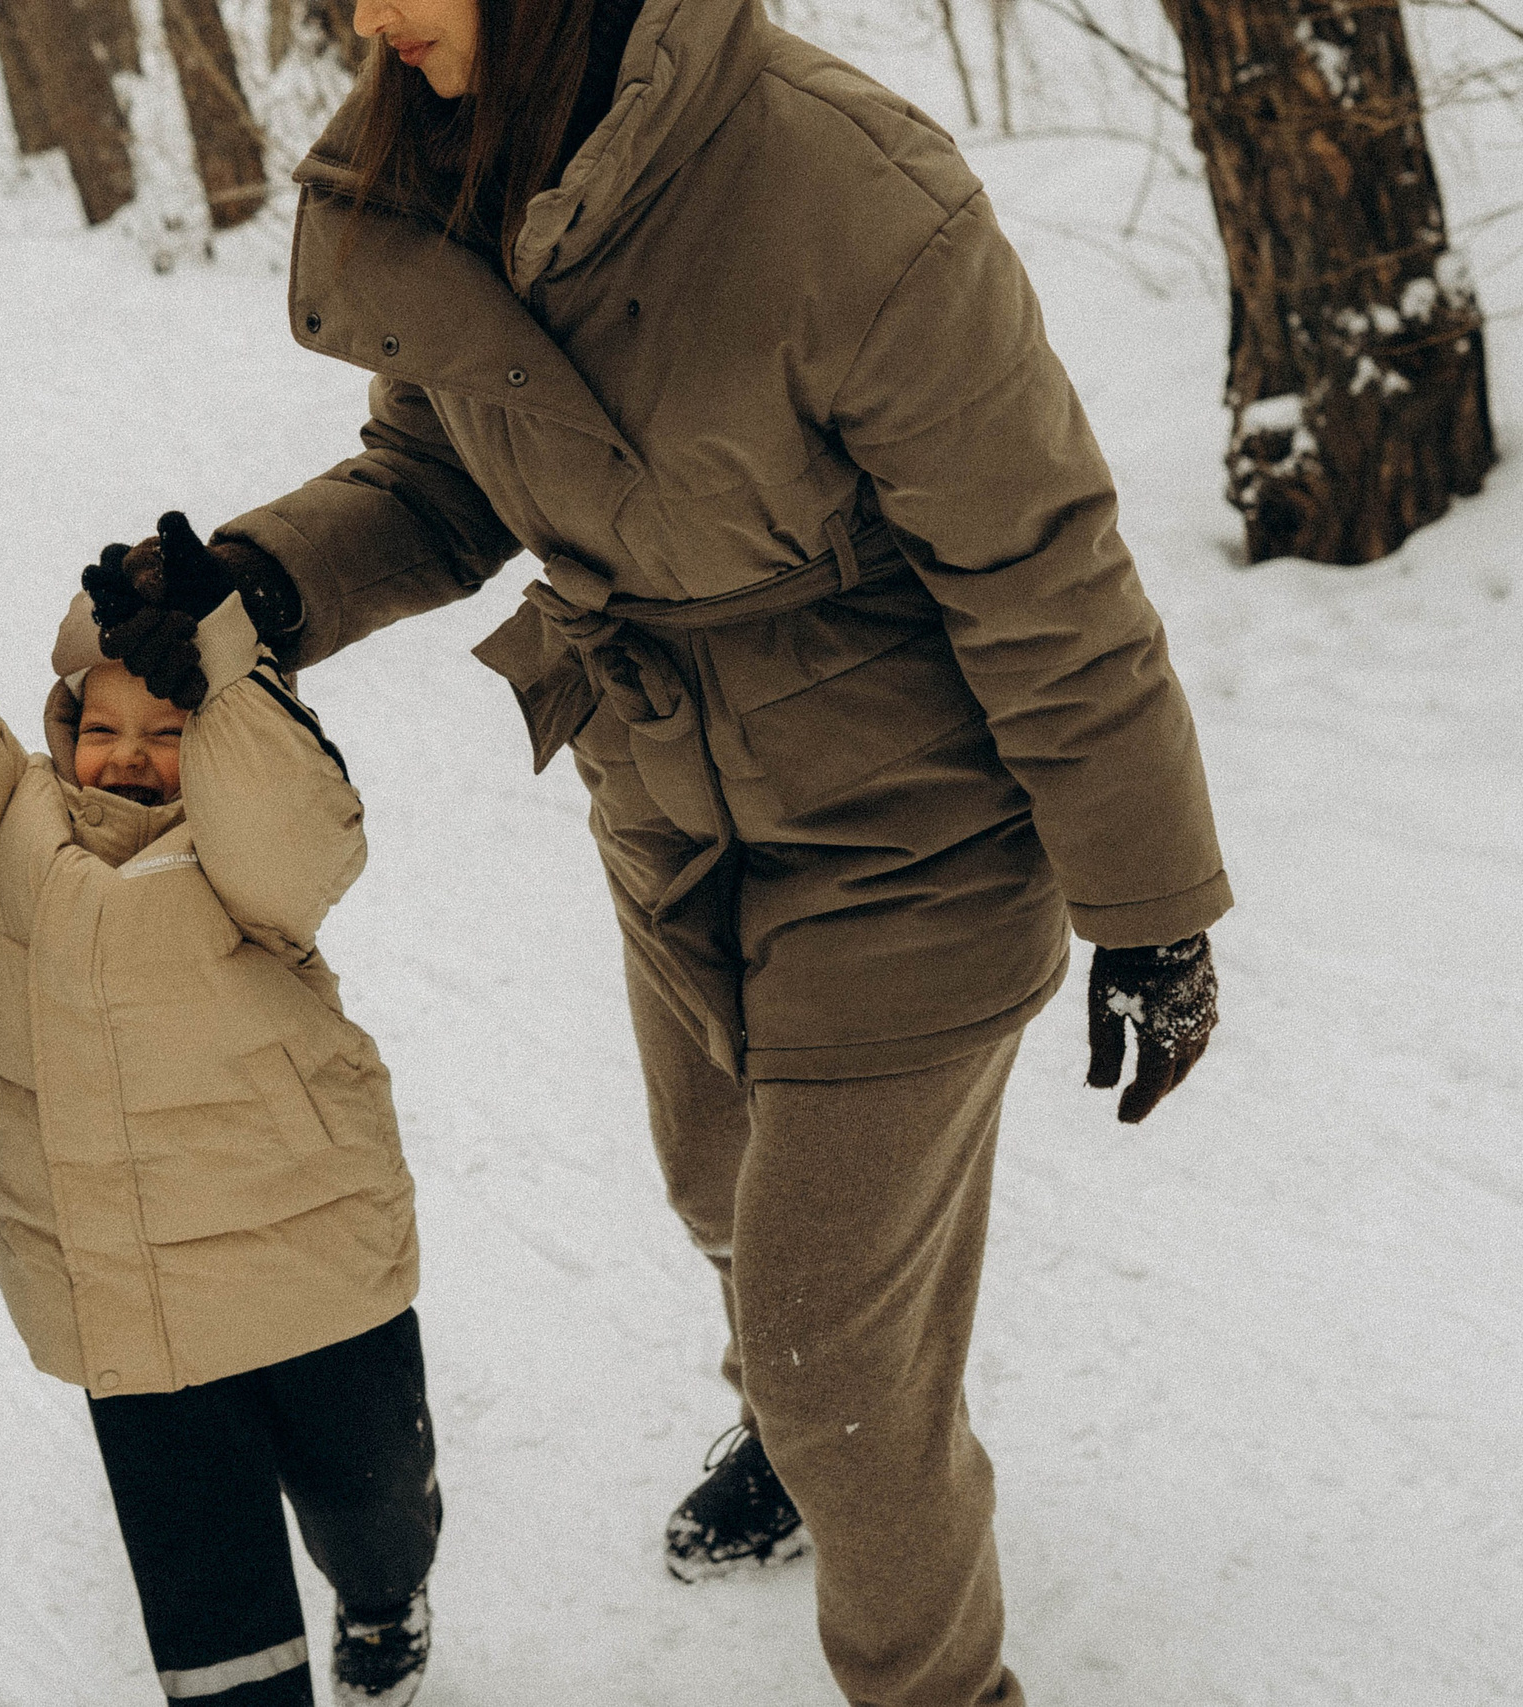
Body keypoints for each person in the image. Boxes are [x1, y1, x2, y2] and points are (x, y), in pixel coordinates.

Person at [91, 0, 1231, 1701]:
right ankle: (803, 1432)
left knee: (832, 1342)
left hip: (910, 828)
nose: (368, 18)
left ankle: (919, 1631)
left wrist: (1151, 905)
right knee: (720, 1187)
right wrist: (257, 579)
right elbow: (439, 474)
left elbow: (1043, 571)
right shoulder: (453, 147)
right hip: (669, 800)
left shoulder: (849, 189)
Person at [0, 514, 440, 1707]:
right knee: (207, 1594)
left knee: (371, 1500)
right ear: (63, 729)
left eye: (169, 733)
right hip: (129, 1293)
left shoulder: (243, 855)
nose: (126, 758)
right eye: (100, 728)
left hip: (307, 1261)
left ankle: (384, 1598)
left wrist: (231, 662)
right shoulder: (16, 826)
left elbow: (293, 824)